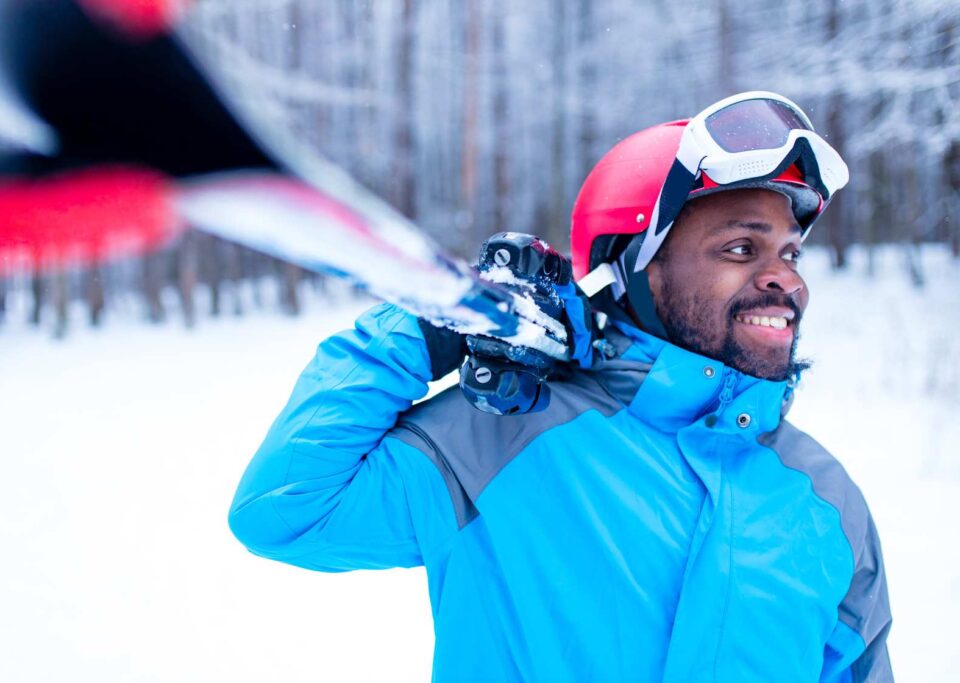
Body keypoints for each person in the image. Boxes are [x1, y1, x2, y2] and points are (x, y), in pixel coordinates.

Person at [229, 92, 892, 682]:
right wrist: (426, 330)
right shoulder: (502, 436)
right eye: (742, 249)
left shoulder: (826, 499)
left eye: (790, 253)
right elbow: (284, 510)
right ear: (637, 268)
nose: (786, 279)